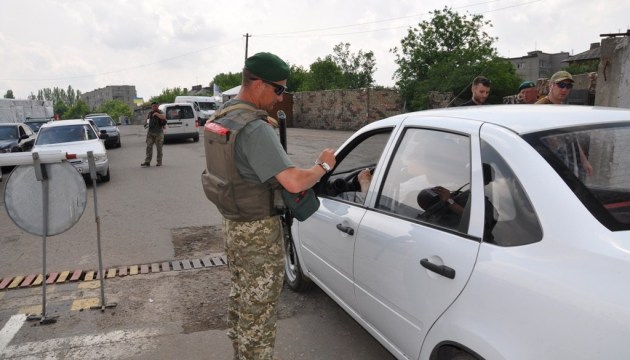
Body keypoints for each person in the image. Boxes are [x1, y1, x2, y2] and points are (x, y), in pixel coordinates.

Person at [201, 52, 336, 360]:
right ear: (258, 84)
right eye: (278, 90)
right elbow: (293, 182)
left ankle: (240, 352)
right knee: (259, 312)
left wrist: (262, 124)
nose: (281, 98)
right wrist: (322, 167)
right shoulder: (255, 129)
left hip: (233, 224)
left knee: (242, 298)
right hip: (258, 232)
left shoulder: (224, 114)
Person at [141, 101, 166, 167]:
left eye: (155, 106)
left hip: (159, 133)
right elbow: (147, 120)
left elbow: (163, 117)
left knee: (159, 148)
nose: (154, 107)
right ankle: (147, 162)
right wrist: (145, 123)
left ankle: (159, 162)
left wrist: (157, 114)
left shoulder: (160, 112)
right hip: (150, 133)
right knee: (148, 147)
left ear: (157, 106)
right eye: (153, 106)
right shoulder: (150, 113)